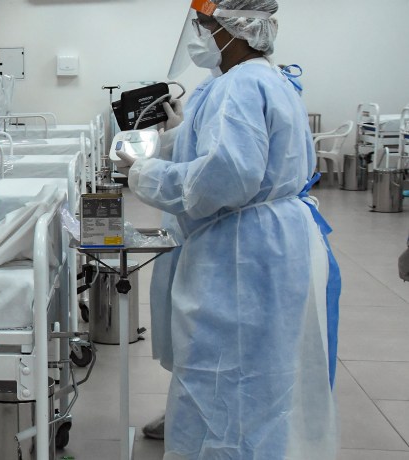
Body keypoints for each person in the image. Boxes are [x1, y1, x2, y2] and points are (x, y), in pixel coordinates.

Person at [115, 0, 341, 457]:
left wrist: (143, 173)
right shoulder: (264, 78)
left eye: (203, 25)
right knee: (263, 371)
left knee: (225, 374)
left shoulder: (237, 86)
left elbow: (225, 178)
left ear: (233, 28)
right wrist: (176, 135)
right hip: (271, 243)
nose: (199, 35)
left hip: (242, 253)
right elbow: (225, 149)